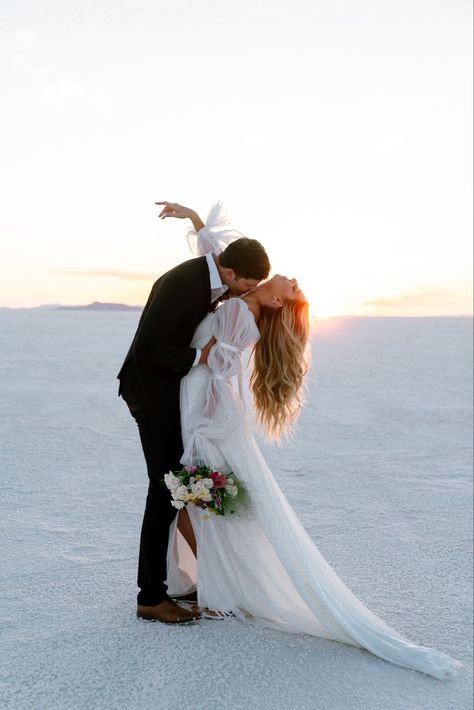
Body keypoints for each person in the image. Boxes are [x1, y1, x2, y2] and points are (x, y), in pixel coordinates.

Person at [161, 205, 461, 680]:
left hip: (205, 409)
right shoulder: (247, 293)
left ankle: (216, 588)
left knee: (197, 497)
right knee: (199, 499)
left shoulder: (242, 309)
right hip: (202, 402)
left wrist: (203, 382)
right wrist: (196, 219)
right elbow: (220, 258)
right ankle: (212, 584)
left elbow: (222, 370)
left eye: (294, 289)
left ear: (278, 303)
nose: (292, 280)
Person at [117, 201, 271, 624]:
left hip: (167, 390)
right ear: (228, 272)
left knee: (173, 487)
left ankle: (180, 581)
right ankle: (150, 597)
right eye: (247, 285)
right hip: (149, 392)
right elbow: (149, 348)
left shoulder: (213, 269)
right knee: (164, 489)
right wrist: (200, 355)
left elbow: (214, 242)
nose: (248, 292)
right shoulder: (185, 284)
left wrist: (192, 216)